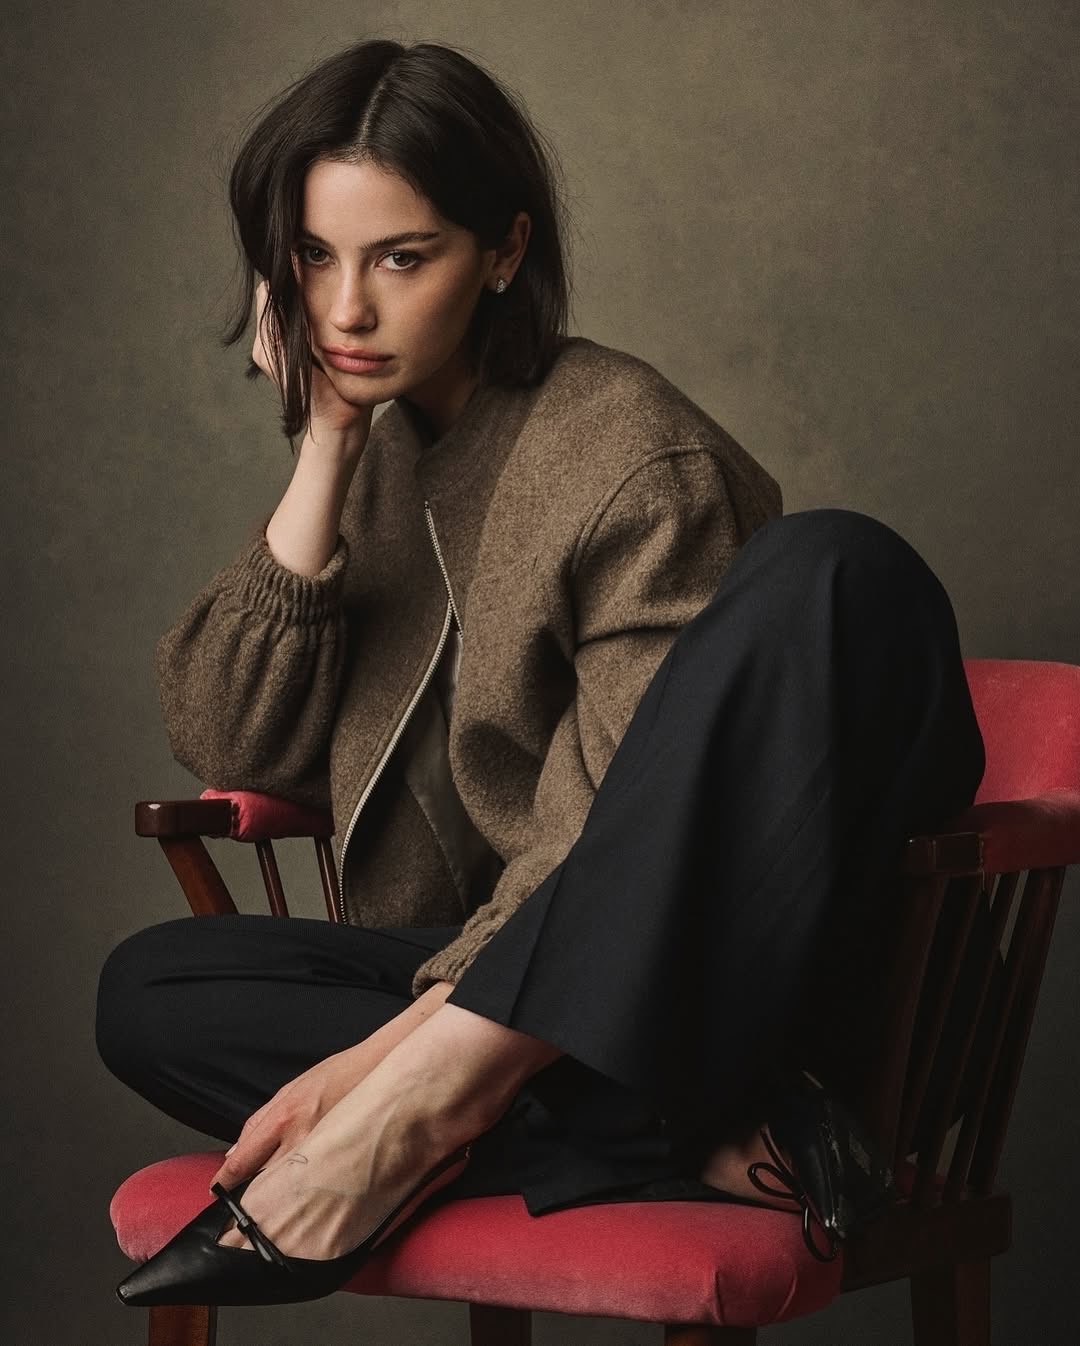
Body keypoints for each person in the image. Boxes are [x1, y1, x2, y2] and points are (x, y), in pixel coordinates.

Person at [96, 38, 985, 1306]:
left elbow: (618, 847)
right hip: (523, 997)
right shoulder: (390, 453)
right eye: (313, 258)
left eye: (401, 258)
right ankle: (677, 1136)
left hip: (700, 978)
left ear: (504, 252)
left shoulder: (631, 460)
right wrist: (326, 447)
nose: (345, 312)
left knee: (837, 562)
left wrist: (390, 1066)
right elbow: (230, 738)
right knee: (150, 990)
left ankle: (429, 1118)